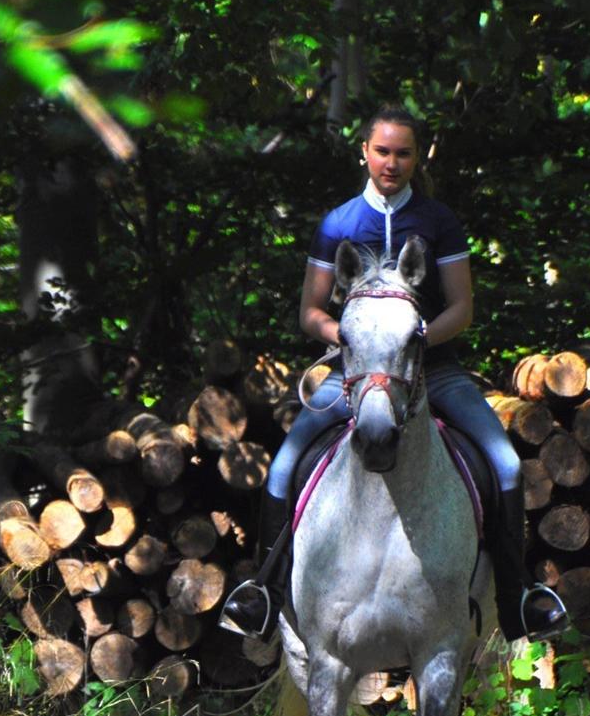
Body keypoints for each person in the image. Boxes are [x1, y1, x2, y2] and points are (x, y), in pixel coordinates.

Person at [219, 104, 568, 644]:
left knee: (504, 464)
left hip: (434, 372)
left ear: (416, 157)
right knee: (284, 465)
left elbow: (461, 309)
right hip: (355, 375)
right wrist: (353, 341)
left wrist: (416, 342)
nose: (391, 162)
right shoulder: (338, 224)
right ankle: (264, 593)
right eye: (382, 151)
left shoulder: (438, 221)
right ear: (364, 151)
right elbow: (310, 311)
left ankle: (517, 597)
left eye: (403, 153)